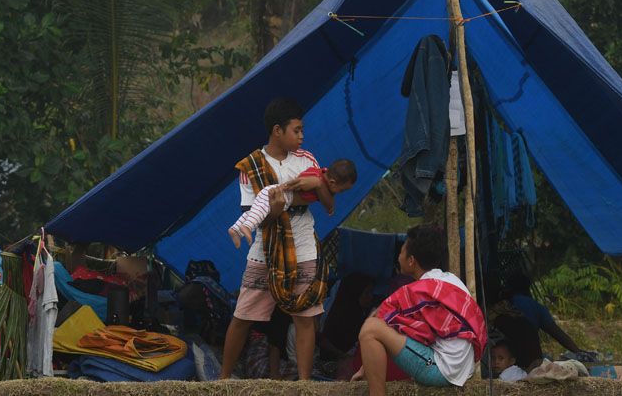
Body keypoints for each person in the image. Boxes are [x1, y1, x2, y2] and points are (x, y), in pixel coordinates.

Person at [220, 98, 326, 380]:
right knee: (243, 316)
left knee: (304, 319)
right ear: (277, 130)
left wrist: (318, 184)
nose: (302, 136)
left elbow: (325, 197)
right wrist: (278, 209)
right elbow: (251, 218)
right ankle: (222, 380)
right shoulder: (250, 166)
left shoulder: (308, 160)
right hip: (265, 249)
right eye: (297, 130)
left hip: (304, 247)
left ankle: (303, 384)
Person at [352, 226, 487, 396]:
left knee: (370, 327)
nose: (398, 256)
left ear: (411, 261)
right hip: (460, 368)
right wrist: (366, 368)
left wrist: (363, 368)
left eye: (401, 251)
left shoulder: (419, 290)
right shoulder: (451, 280)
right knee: (388, 325)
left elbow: (380, 317)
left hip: (443, 370)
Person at [228, 159, 357, 249]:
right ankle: (247, 227)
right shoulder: (314, 174)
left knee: (255, 212)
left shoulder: (322, 184)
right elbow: (298, 182)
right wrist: (284, 187)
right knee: (258, 213)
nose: (340, 193)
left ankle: (235, 230)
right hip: (279, 193)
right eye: (342, 190)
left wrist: (318, 185)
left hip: (281, 197)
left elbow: (330, 206)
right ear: (333, 182)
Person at [506, 273, 581, 354]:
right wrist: (579, 352)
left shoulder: (502, 305)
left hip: (503, 354)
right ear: (528, 288)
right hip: (529, 354)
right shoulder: (536, 306)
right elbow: (557, 333)